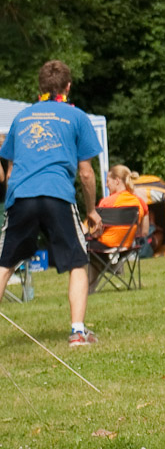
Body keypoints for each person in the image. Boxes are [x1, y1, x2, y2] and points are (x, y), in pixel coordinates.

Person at [0, 60, 104, 346]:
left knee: (5, 263)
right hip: (57, 193)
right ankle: (78, 332)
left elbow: (10, 170)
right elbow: (86, 173)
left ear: (40, 87)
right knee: (78, 262)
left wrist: (12, 203)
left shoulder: (21, 118)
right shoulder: (77, 117)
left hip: (21, 195)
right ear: (68, 87)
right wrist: (91, 210)